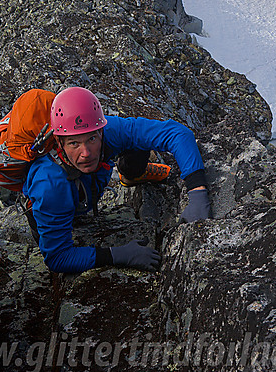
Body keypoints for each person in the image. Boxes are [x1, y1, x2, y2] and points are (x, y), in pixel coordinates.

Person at [21, 86, 211, 274]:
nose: (86, 152)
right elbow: (58, 258)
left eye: (92, 140)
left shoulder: (106, 130)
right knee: (63, 215)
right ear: (59, 141)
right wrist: (118, 255)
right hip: (55, 208)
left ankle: (133, 175)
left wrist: (198, 192)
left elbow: (177, 133)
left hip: (85, 182)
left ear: (101, 132)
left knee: (138, 139)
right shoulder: (49, 184)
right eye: (74, 144)